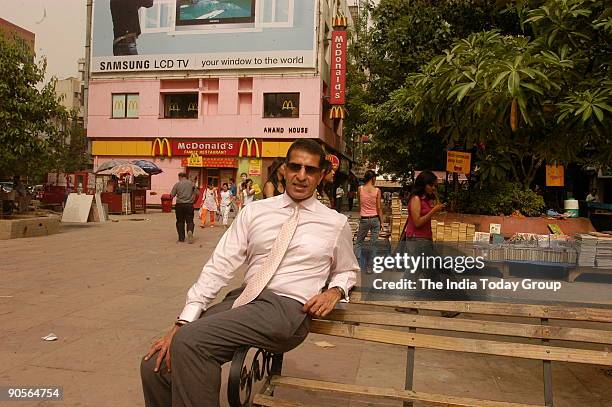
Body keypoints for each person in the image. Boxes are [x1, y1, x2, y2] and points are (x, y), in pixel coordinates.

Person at [140, 139, 359, 407]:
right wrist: (184, 320)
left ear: (321, 174)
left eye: (310, 170)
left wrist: (335, 291)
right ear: (283, 170)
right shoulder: (255, 211)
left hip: (287, 309)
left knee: (190, 341)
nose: (301, 176)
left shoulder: (335, 223)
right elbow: (220, 264)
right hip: (245, 299)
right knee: (157, 363)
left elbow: (347, 270)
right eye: (295, 167)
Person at [353, 170, 384, 272]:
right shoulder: (377, 191)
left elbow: (360, 205)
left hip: (364, 219)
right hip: (375, 219)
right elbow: (379, 208)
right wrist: (382, 222)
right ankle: (370, 267)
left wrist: (361, 214)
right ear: (373, 178)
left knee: (359, 242)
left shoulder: (360, 189)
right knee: (373, 244)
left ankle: (357, 264)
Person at [402, 170, 445, 240]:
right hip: (416, 238)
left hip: (425, 236)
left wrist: (435, 195)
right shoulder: (416, 199)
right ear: (423, 185)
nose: (433, 188)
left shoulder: (425, 199)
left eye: (435, 186)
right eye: (431, 185)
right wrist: (433, 210)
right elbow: (417, 223)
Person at [170, 173, 199, 243]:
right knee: (190, 221)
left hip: (180, 205)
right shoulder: (192, 184)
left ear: (180, 177)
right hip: (189, 205)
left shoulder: (177, 184)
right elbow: (198, 193)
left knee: (180, 222)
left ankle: (181, 238)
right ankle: (190, 230)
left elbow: (172, 195)